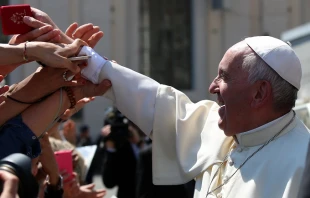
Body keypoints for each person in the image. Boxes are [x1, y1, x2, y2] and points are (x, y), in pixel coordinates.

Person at [78, 36, 309, 198]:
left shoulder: (303, 163)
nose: (212, 87)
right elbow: (158, 103)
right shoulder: (222, 129)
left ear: (259, 93)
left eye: (224, 77)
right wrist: (86, 60)